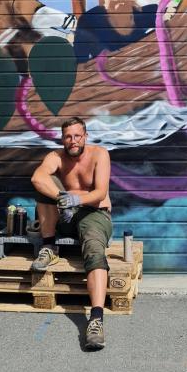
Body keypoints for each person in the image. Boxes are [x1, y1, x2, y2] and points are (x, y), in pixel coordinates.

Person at [30, 116, 112, 350]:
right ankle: (49, 245)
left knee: (95, 251)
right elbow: (37, 177)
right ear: (62, 138)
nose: (73, 141)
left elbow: (99, 192)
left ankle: (96, 319)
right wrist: (62, 198)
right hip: (66, 212)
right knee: (43, 186)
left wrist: (76, 199)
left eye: (77, 136)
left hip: (94, 213)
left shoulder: (99, 154)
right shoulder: (56, 157)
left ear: (85, 136)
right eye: (68, 136)